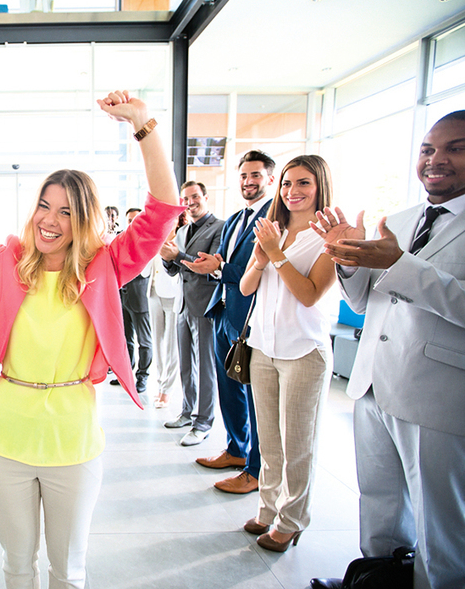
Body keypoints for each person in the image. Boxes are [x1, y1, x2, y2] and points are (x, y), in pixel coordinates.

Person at [0, 91, 182, 589]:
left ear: (83, 220)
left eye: (64, 212)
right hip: (8, 436)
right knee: (17, 565)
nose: (49, 219)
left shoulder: (104, 267)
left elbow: (163, 210)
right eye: (44, 205)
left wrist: (144, 127)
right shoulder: (5, 263)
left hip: (74, 439)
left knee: (69, 569)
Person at [309, 112, 465, 589]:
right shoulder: (398, 219)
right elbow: (369, 299)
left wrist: (400, 264)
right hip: (374, 382)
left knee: (440, 520)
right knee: (379, 500)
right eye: (427, 149)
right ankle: (378, 579)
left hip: (434, 392)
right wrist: (349, 262)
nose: (436, 160)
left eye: (454, 148)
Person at [238, 155, 338, 553]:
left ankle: (293, 519)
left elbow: (311, 294)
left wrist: (277, 256)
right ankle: (267, 508)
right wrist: (262, 260)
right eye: (286, 184)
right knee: (270, 440)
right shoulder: (271, 230)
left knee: (298, 444)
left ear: (320, 188)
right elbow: (246, 288)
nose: (292, 192)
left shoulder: (331, 237)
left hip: (304, 353)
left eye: (303, 184)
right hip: (263, 348)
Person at [185, 150, 275, 494]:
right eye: (243, 176)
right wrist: (212, 262)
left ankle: (256, 468)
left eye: (255, 176)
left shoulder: (273, 217)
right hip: (223, 310)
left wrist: (219, 268)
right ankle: (237, 450)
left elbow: (261, 269)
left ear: (269, 179)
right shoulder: (237, 217)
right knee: (230, 388)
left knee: (254, 396)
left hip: (250, 315)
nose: (248, 182)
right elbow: (225, 261)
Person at [162, 181, 224, 446]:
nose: (190, 202)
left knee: (206, 367)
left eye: (195, 197)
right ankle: (188, 412)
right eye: (185, 199)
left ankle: (204, 422)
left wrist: (177, 255)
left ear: (205, 197)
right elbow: (174, 270)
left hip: (205, 305)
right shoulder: (183, 229)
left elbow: (209, 266)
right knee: (186, 364)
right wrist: (167, 258)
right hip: (183, 305)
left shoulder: (221, 227)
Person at [148, 210, 186, 407]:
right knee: (157, 342)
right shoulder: (156, 236)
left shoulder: (183, 236)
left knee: (171, 346)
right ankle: (159, 385)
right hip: (153, 291)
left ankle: (167, 391)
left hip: (172, 294)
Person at [115, 207, 152, 393]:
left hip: (140, 297)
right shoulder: (122, 238)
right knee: (125, 339)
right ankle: (127, 375)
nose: (132, 223)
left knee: (144, 341)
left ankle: (142, 377)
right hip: (123, 296)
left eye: (135, 219)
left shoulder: (148, 240)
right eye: (129, 220)